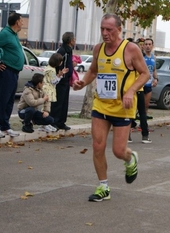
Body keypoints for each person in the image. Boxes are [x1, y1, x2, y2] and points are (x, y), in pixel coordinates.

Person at [72, 13, 150, 202]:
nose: (105, 33)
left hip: (123, 107)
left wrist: (131, 91)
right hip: (101, 105)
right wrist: (82, 82)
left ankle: (130, 158)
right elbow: (93, 71)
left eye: (109, 30)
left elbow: (145, 74)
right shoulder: (98, 48)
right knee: (97, 146)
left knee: (118, 151)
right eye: (102, 29)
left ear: (119, 29)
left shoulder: (130, 49)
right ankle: (103, 187)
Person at [0, 12, 24, 138]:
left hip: (15, 72)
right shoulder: (5, 33)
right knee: (2, 99)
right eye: (21, 20)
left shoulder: (14, 34)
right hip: (6, 71)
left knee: (10, 101)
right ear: (16, 22)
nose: (23, 23)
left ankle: (5, 126)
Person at [51, 32, 75, 131]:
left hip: (66, 80)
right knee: (58, 102)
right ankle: (54, 122)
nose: (75, 41)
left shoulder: (69, 51)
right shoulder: (62, 51)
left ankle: (61, 122)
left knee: (64, 102)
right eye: (74, 39)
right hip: (61, 80)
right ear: (70, 41)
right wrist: (60, 76)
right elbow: (58, 65)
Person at [143, 38, 158, 120]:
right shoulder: (141, 56)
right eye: (146, 44)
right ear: (143, 46)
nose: (148, 46)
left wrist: (156, 79)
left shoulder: (154, 57)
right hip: (140, 84)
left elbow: (154, 69)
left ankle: (144, 121)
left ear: (152, 46)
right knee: (138, 104)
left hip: (149, 84)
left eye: (149, 44)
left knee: (146, 104)